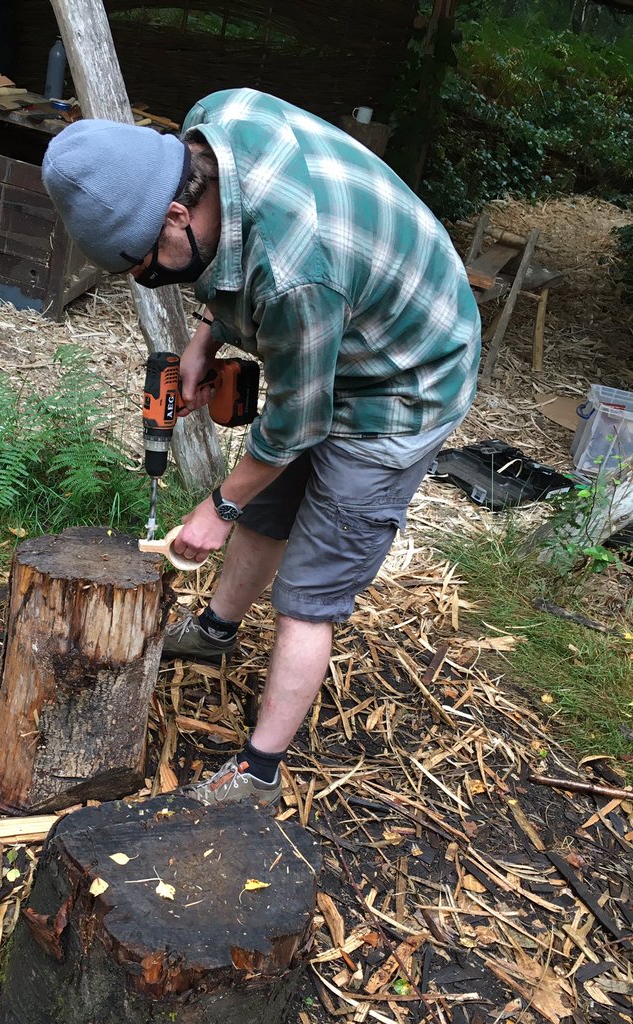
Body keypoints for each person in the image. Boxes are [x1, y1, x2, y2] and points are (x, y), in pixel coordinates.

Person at [42, 88, 481, 807]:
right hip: (338, 319)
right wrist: (203, 335)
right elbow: (228, 259)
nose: (150, 279)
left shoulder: (297, 273)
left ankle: (260, 771)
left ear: (178, 213)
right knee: (268, 505)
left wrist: (217, 503)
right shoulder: (212, 129)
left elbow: (298, 422)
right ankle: (216, 630)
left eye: (148, 264)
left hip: (407, 375)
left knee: (310, 590)